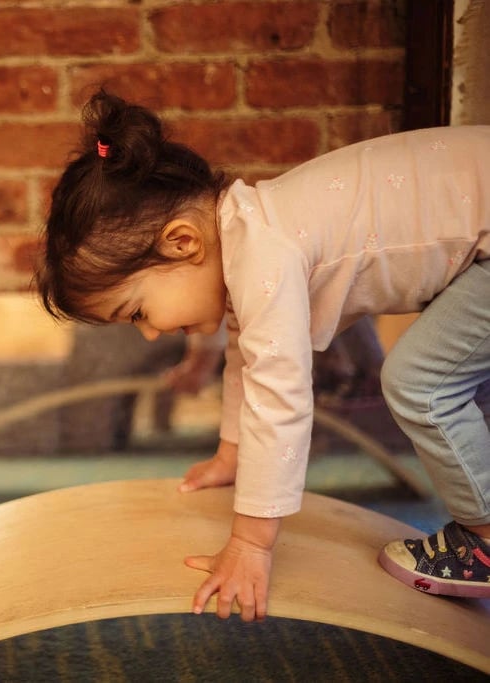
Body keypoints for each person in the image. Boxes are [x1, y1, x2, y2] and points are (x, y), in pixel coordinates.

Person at [35, 90, 490, 620]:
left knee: (421, 384)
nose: (150, 335)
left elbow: (279, 395)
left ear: (182, 243)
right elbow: (247, 361)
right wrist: (232, 454)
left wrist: (251, 543)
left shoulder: (262, 252)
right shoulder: (247, 231)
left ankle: (484, 540)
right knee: (455, 384)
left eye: (136, 312)